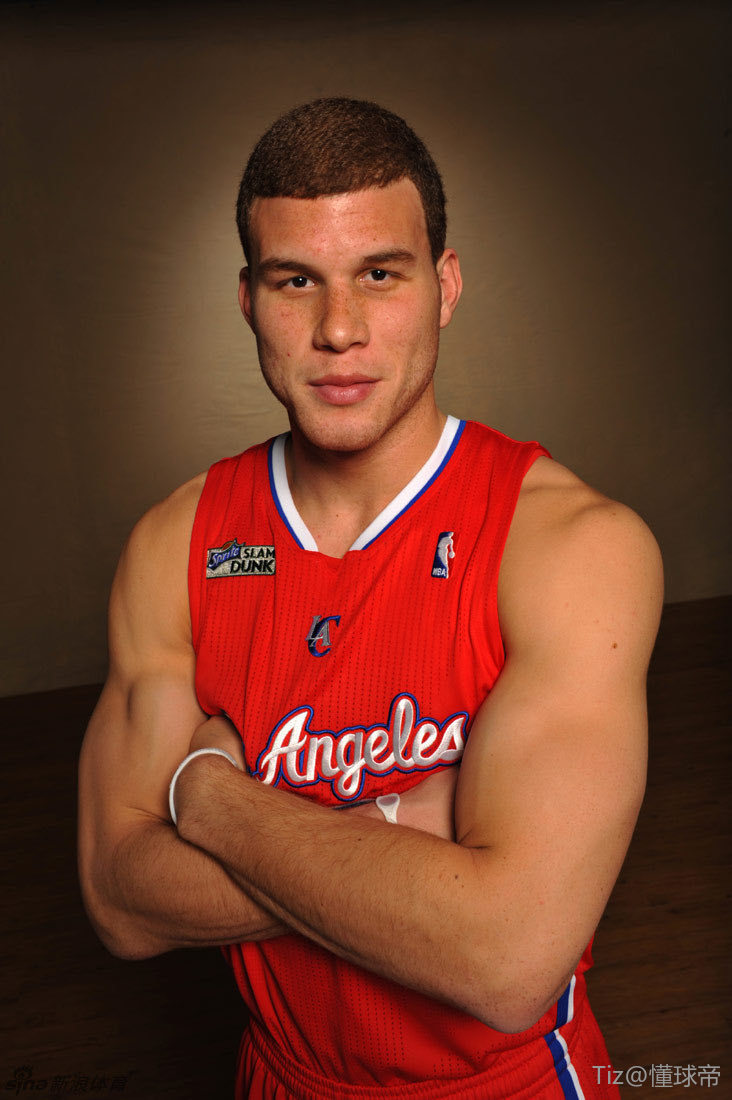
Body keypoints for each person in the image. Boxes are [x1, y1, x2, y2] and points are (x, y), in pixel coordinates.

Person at [78, 98, 663, 1099]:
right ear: (247, 300)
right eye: (295, 280)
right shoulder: (176, 544)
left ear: (445, 286)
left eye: (379, 275)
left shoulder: (571, 546)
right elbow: (121, 901)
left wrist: (206, 796)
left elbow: (507, 956)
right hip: (280, 1079)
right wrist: (407, 833)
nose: (338, 329)